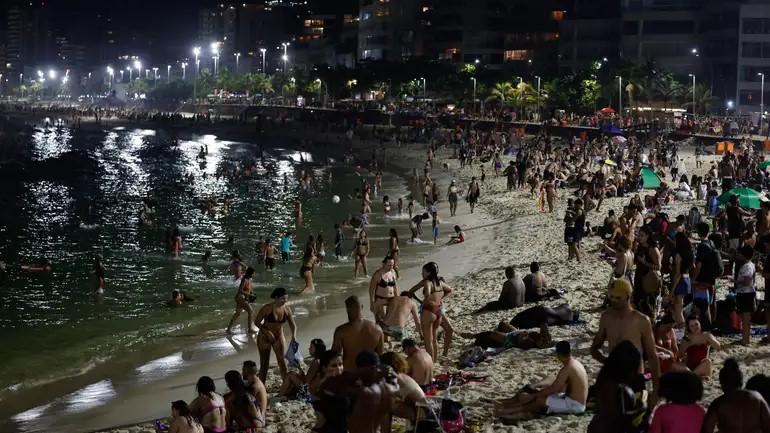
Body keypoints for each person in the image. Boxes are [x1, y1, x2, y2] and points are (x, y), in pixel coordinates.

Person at [590, 278, 660, 407]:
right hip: (614, 377)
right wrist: (607, 362)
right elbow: (594, 349)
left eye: (618, 298)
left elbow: (652, 355)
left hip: (635, 377)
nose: (613, 301)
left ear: (628, 296)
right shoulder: (606, 318)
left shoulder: (641, 320)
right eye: (611, 297)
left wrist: (656, 388)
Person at [494, 341, 588, 421]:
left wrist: (532, 396)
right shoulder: (575, 363)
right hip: (572, 400)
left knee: (540, 400)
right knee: (542, 395)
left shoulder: (567, 368)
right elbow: (562, 387)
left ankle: (511, 411)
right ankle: (510, 408)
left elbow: (555, 388)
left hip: (575, 406)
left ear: (558, 354)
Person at [317, 351, 399, 433]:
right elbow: (393, 375)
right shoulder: (391, 388)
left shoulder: (365, 392)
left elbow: (327, 386)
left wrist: (357, 371)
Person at [587, 340, 649, 433]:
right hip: (619, 427)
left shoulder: (603, 379)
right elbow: (627, 415)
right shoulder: (626, 386)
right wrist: (644, 405)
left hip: (598, 426)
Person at [702, 358, 770, 433]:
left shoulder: (718, 403)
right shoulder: (757, 398)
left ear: (722, 385)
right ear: (741, 383)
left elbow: (707, 429)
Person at [253, 288, 297, 385]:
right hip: (264, 337)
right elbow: (256, 322)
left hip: (278, 336)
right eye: (282, 299)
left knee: (282, 362)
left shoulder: (287, 309)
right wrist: (267, 332)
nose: (285, 301)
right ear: (276, 298)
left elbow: (293, 325)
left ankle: (286, 384)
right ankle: (262, 386)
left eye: (286, 299)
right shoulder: (267, 308)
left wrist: (294, 336)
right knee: (264, 365)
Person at [409, 262, 453, 361]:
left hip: (429, 311)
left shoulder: (427, 282)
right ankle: (435, 360)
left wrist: (423, 301)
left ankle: (432, 362)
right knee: (434, 339)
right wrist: (441, 299)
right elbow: (450, 290)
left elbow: (420, 293)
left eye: (423, 271)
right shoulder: (440, 282)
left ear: (428, 273)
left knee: (428, 342)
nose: (422, 274)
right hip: (438, 311)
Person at [332, 296, 384, 371]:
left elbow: (335, 356)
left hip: (349, 372)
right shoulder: (377, 329)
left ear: (347, 309)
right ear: (362, 307)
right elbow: (380, 354)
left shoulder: (341, 331)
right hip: (369, 372)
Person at [380, 351, 427, 422]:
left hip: (421, 414)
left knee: (385, 406)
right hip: (423, 411)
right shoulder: (401, 375)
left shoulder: (396, 378)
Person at [310, 350, 348, 433]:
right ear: (324, 368)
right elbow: (312, 393)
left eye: (340, 364)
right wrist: (324, 378)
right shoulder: (322, 379)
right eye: (333, 366)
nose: (338, 368)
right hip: (325, 419)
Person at [692, 222, 720, 328]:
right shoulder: (711, 243)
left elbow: (698, 265)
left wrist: (693, 279)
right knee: (712, 302)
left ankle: (706, 327)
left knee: (703, 305)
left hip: (703, 279)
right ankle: (712, 323)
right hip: (711, 277)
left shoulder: (702, 246)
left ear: (698, 232)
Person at [461, 322, 553, 351]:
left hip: (510, 338)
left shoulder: (530, 342)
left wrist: (526, 336)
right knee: (502, 324)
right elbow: (544, 325)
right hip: (517, 332)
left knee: (489, 333)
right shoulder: (536, 337)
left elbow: (521, 342)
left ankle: (472, 335)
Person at [734, 245, 757, 345]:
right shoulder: (750, 265)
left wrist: (736, 281)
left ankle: (746, 339)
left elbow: (747, 281)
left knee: (746, 317)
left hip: (746, 294)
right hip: (745, 293)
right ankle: (745, 337)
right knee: (744, 316)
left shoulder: (747, 266)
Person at [671, 232, 694, 326]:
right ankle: (680, 330)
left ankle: (681, 332)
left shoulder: (678, 255)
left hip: (680, 281)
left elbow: (677, 275)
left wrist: (671, 292)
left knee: (678, 310)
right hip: (687, 279)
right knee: (679, 308)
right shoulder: (689, 253)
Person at [226, 267, 256, 335]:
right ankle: (250, 329)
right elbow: (240, 290)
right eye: (253, 273)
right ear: (250, 273)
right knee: (250, 311)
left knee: (237, 314)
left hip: (243, 298)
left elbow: (249, 290)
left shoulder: (249, 280)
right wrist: (249, 294)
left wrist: (251, 293)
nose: (254, 274)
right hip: (240, 297)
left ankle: (228, 329)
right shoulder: (245, 280)